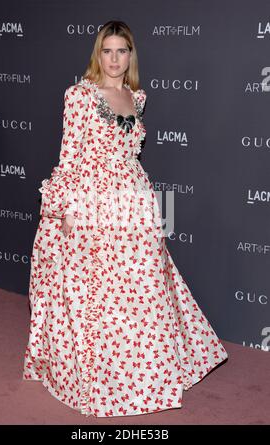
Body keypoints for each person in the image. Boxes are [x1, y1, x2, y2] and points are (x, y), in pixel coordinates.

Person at [22, 20, 228, 418]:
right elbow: (70, 156)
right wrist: (67, 207)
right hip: (93, 201)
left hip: (134, 200)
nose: (114, 59)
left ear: (131, 55)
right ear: (97, 54)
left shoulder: (136, 97)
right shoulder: (80, 96)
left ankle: (146, 374)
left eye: (122, 51)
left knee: (145, 285)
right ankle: (101, 377)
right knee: (97, 293)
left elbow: (129, 154)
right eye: (107, 51)